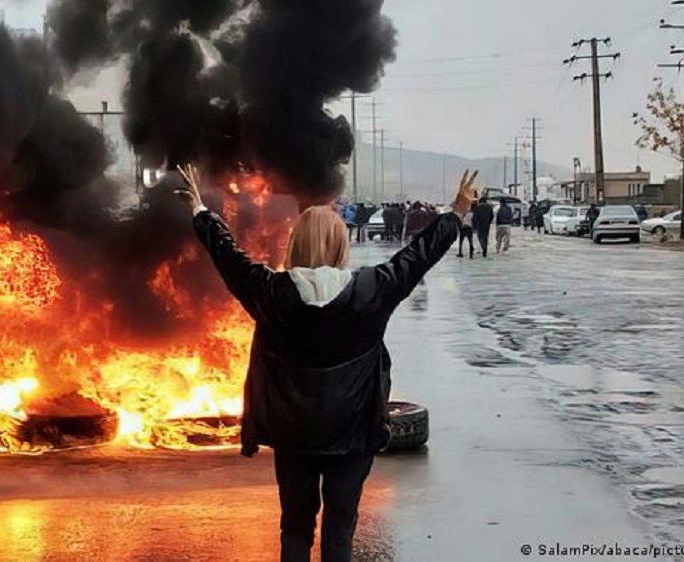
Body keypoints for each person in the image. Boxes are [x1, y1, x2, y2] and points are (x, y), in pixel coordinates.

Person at [175, 164, 478, 562]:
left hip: (293, 435)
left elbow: (227, 256)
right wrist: (456, 212)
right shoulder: (373, 289)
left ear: (295, 243)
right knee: (340, 530)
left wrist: (200, 210)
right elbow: (417, 257)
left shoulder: (270, 292)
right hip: (353, 435)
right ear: (341, 245)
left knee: (295, 527)